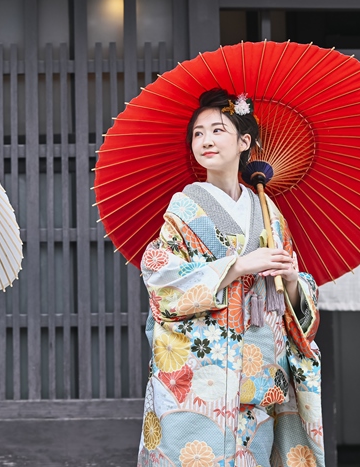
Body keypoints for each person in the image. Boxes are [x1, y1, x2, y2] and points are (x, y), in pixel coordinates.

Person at [138, 88, 324, 467]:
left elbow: (295, 306)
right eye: (198, 133)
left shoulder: (270, 214)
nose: (206, 140)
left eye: (218, 130)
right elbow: (160, 279)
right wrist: (237, 266)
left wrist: (290, 279)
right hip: (198, 381)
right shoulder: (184, 210)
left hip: (257, 380)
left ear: (245, 142)